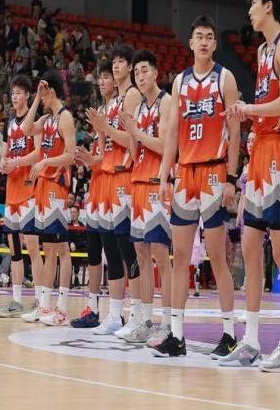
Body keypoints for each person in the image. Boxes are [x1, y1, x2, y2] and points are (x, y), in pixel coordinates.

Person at [219, 0, 280, 372]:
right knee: (250, 246)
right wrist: (251, 122)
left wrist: (249, 109)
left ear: (268, 6)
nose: (249, 12)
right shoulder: (262, 50)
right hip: (261, 150)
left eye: (253, 5)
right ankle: (250, 341)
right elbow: (267, 105)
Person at [153, 16, 240, 359]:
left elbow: (235, 132)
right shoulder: (180, 81)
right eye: (198, 36)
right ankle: (176, 336)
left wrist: (231, 178)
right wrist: (164, 176)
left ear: (215, 44)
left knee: (217, 257)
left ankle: (229, 334)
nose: (203, 41)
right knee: (179, 259)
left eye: (209, 37)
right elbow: (173, 133)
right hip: (184, 175)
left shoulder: (225, 77)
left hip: (214, 173)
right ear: (190, 43)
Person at [86, 44, 142, 338]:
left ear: (130, 67)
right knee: (110, 247)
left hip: (124, 175)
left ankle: (138, 314)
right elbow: (105, 147)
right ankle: (115, 313)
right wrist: (90, 158)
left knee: (126, 247)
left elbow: (131, 141)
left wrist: (105, 128)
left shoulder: (131, 95)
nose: (117, 66)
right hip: (107, 174)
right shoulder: (112, 102)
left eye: (121, 62)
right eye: (114, 62)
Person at [117, 49, 172, 345]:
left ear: (156, 73)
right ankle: (147, 320)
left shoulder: (166, 102)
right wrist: (129, 135)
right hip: (137, 181)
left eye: (144, 71)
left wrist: (136, 132)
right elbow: (135, 148)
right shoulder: (139, 107)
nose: (140, 76)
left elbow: (165, 146)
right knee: (141, 253)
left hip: (155, 183)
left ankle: (169, 322)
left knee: (161, 255)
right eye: (136, 72)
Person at [21, 70, 76, 326]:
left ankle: (61, 309)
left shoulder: (65, 117)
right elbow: (25, 129)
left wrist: (45, 162)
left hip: (57, 186)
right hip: (43, 186)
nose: (41, 98)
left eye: (42, 94)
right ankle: (44, 306)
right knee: (49, 249)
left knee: (60, 249)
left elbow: (71, 155)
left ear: (50, 91)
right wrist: (34, 99)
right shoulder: (47, 118)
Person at [70, 61, 115, 328]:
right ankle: (94, 309)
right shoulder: (101, 110)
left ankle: (119, 313)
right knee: (94, 252)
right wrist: (88, 160)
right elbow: (101, 153)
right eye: (100, 77)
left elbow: (119, 151)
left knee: (117, 252)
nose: (102, 81)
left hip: (114, 183)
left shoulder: (121, 106)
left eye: (106, 77)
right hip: (97, 183)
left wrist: (95, 159)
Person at [0, 75, 44, 319]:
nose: (15, 96)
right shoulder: (9, 122)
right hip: (12, 192)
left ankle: (40, 300)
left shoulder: (34, 120)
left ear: (27, 95)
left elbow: (38, 153)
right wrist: (4, 164)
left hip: (29, 190)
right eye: (13, 93)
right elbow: (5, 154)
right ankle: (16, 300)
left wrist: (16, 162)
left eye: (19, 93)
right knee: (14, 249)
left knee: (33, 247)